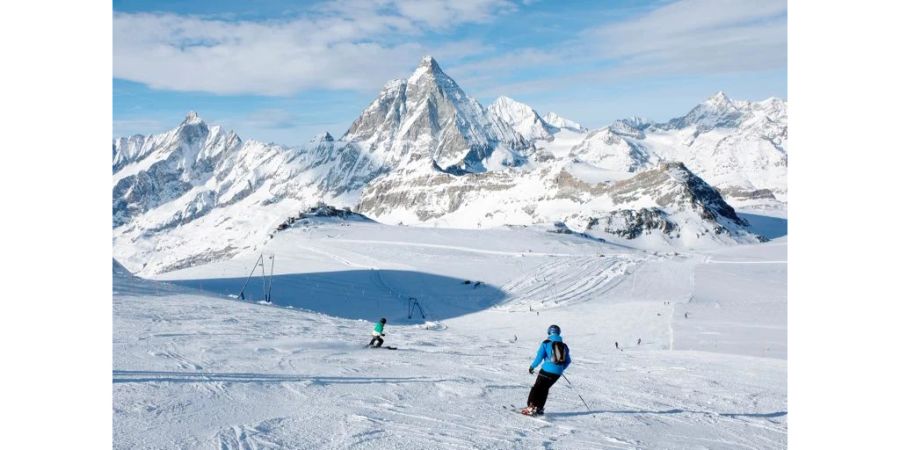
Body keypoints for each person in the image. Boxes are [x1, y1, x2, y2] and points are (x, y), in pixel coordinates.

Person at [522, 324, 571, 416]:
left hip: (546, 370)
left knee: (537, 388)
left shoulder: (546, 343)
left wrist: (532, 367)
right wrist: (560, 368)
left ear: (549, 332)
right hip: (557, 373)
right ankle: (539, 408)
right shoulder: (564, 346)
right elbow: (568, 361)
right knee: (545, 388)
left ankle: (531, 407)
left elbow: (539, 357)